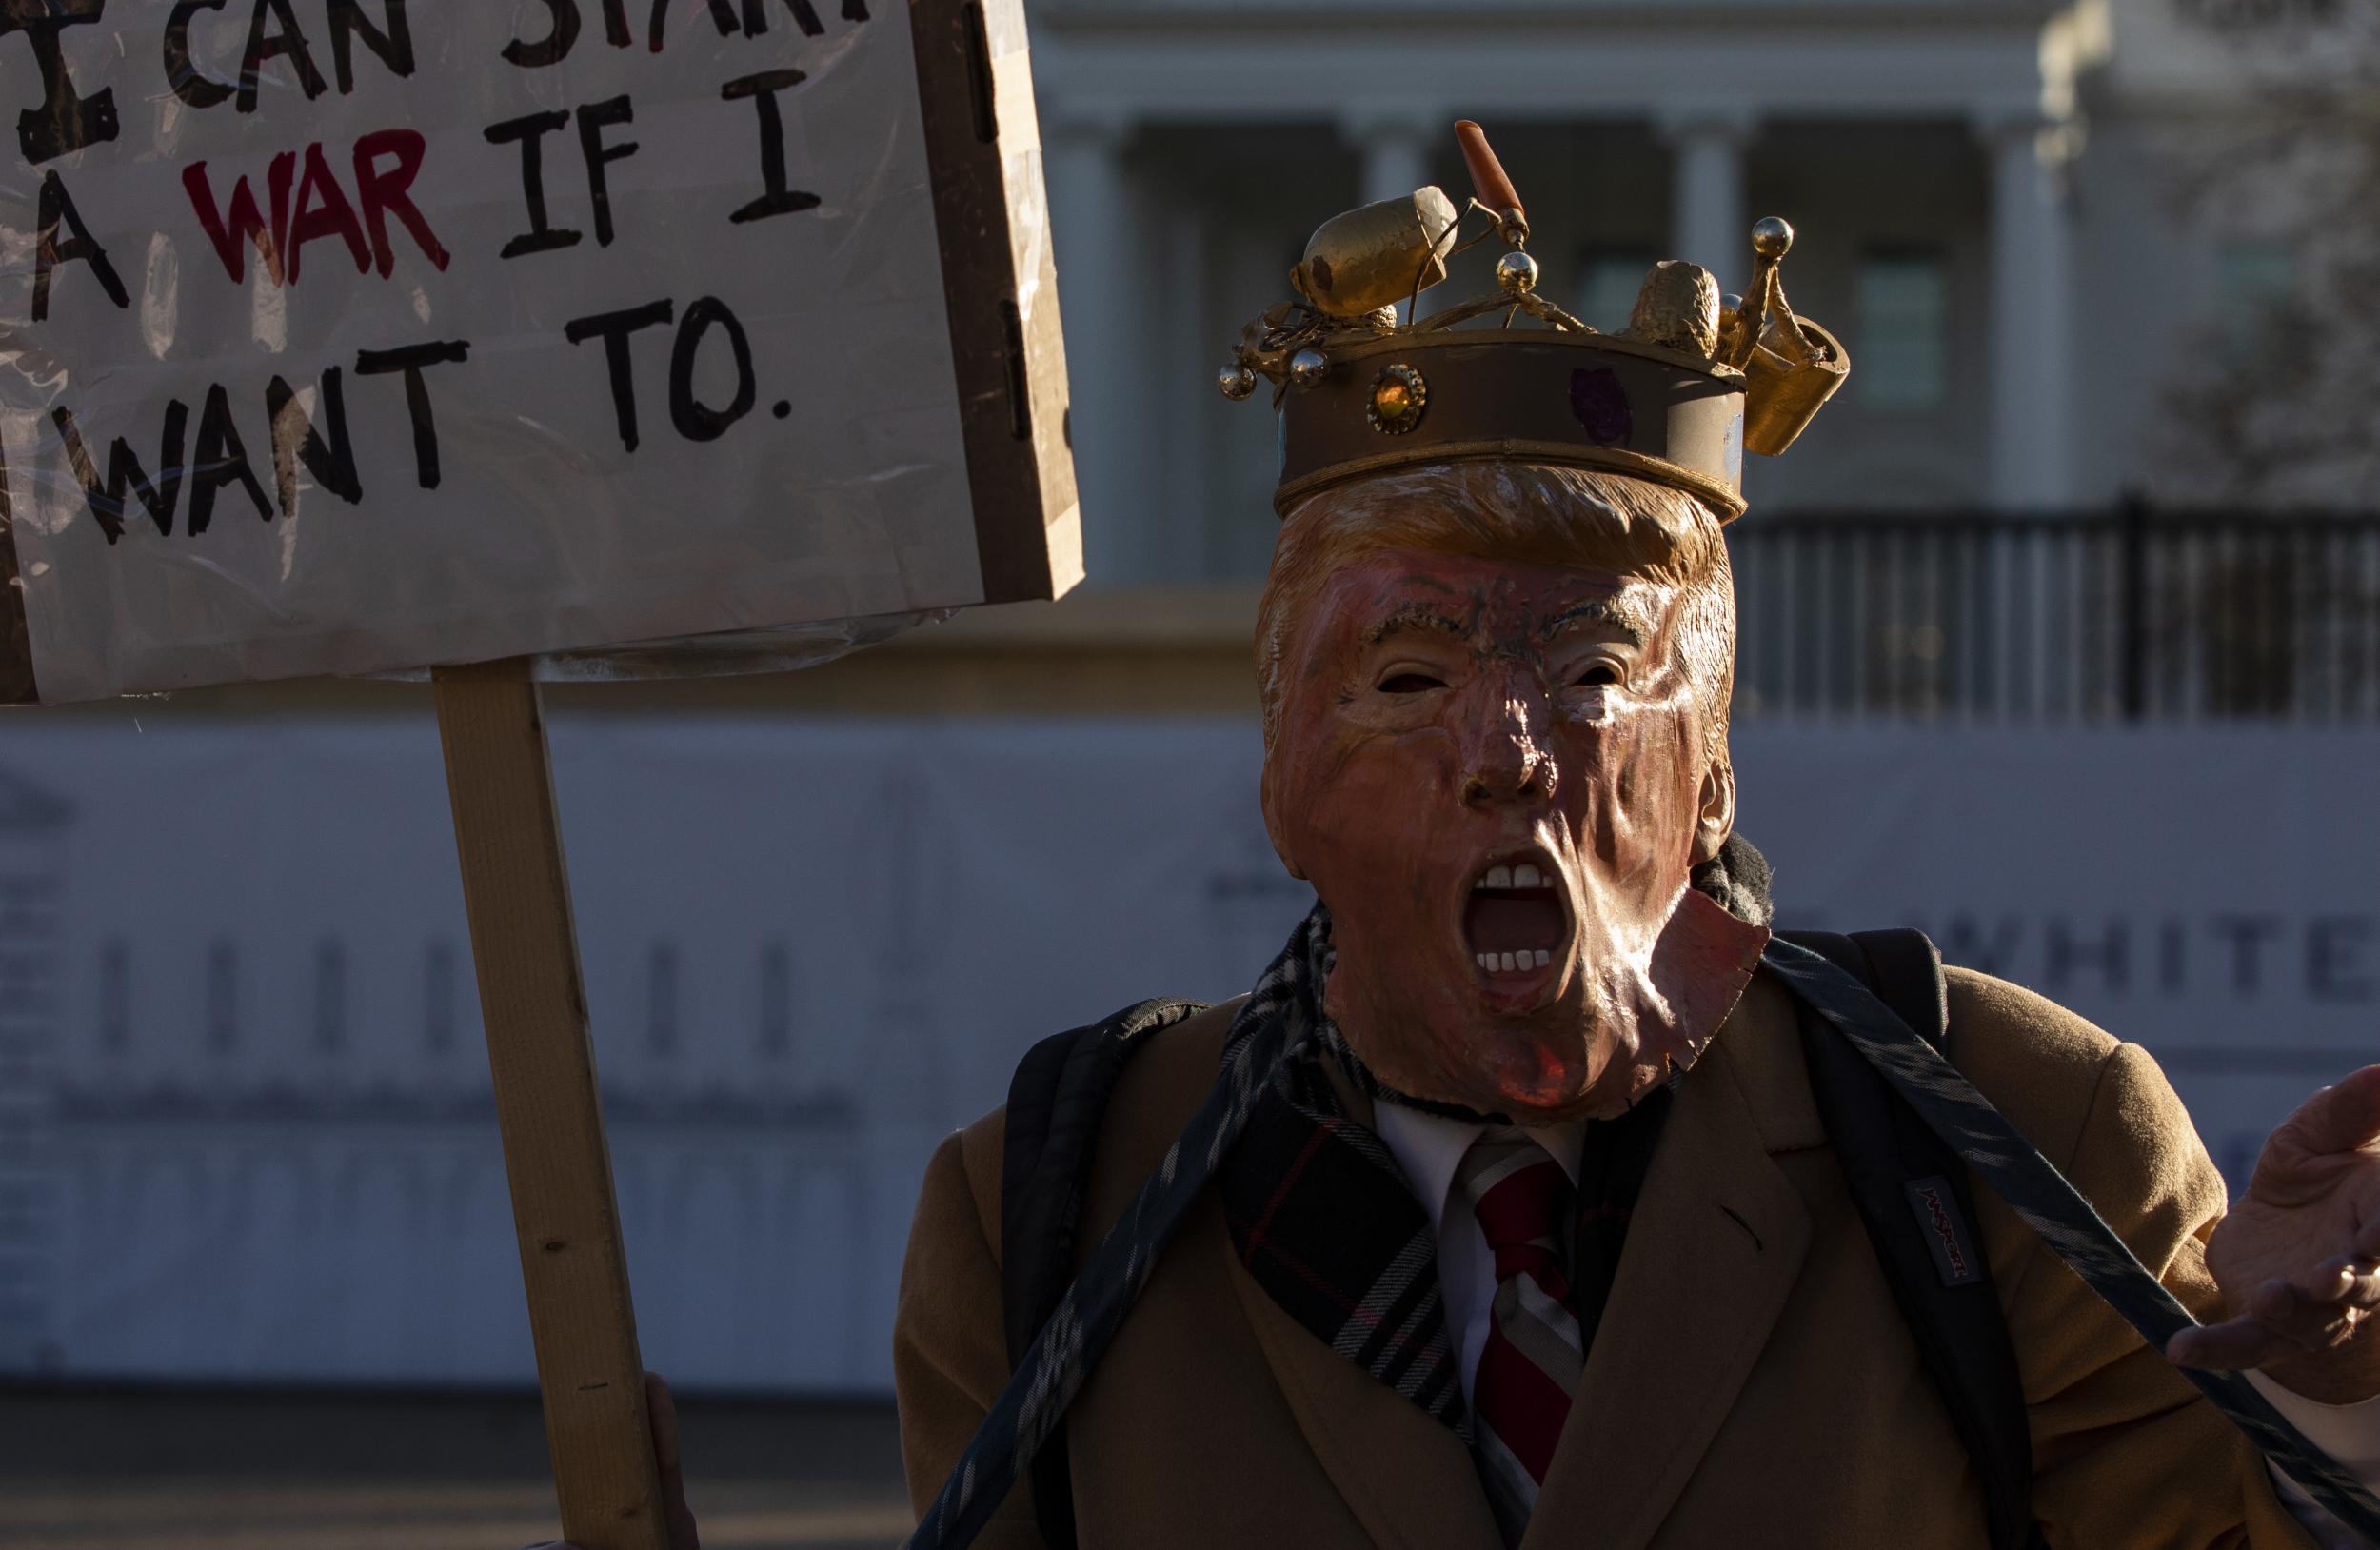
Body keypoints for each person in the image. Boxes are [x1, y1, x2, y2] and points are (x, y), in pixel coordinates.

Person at [561, 154, 2380, 1550]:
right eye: (1409, 673)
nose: (1505, 753)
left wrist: (2341, 1414)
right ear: (1280, 769)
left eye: (1594, 673)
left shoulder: (2017, 1146)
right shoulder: (1050, 1209)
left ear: (1717, 768)